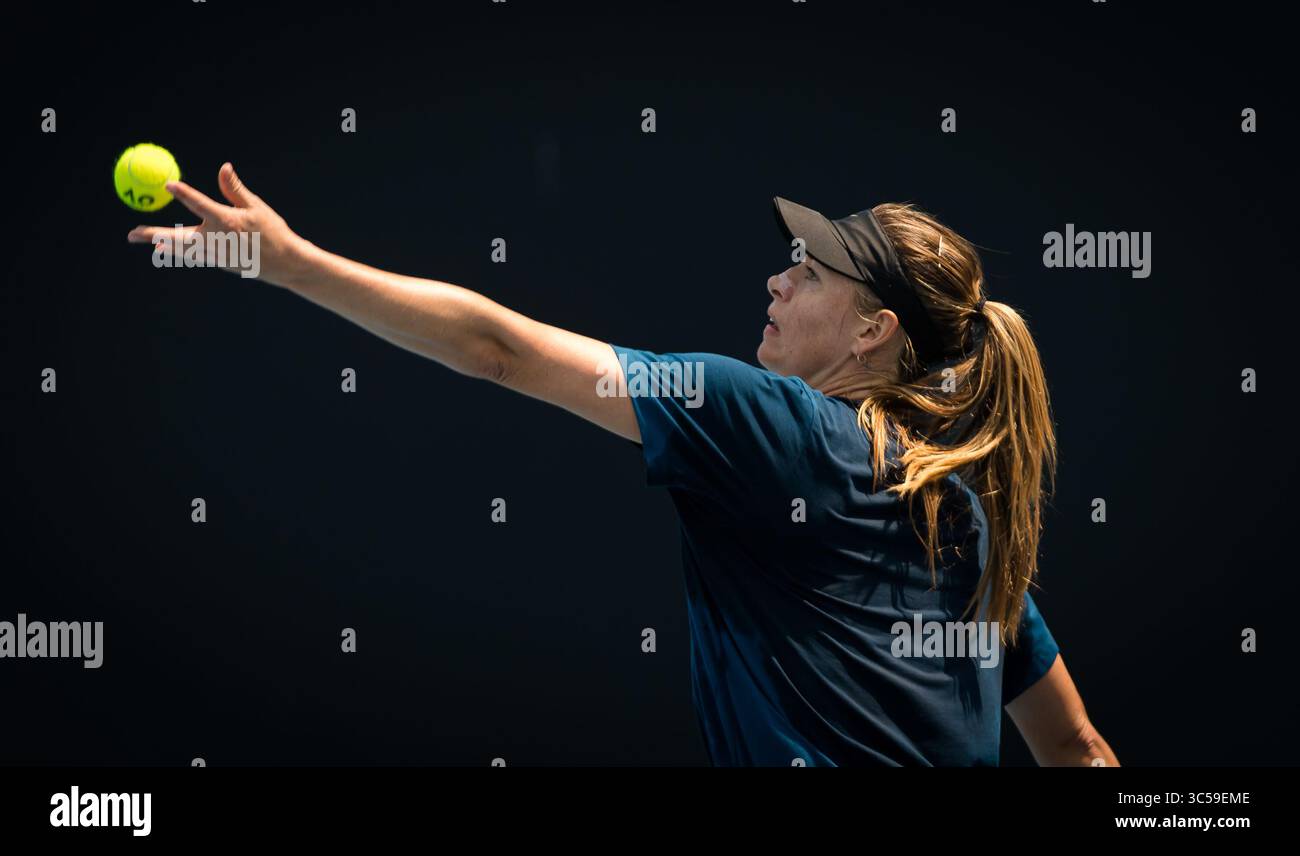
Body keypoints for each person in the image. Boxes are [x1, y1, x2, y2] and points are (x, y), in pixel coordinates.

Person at [128, 163, 1119, 766]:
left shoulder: (768, 423)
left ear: (872, 331)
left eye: (810, 273)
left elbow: (501, 350)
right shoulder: (968, 518)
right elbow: (1076, 748)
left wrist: (288, 262)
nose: (777, 277)